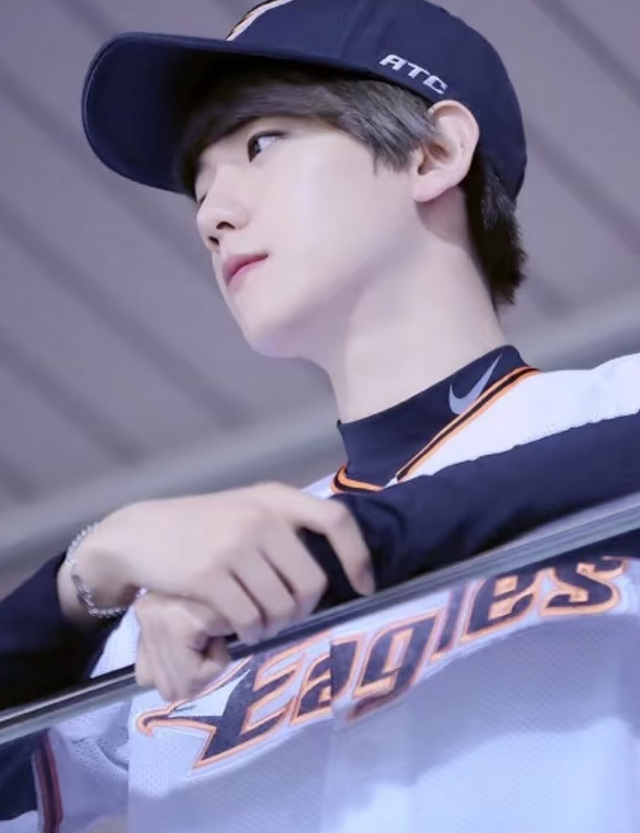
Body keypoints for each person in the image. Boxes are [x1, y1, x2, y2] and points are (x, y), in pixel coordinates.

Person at [2, 0, 640, 829]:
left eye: (261, 144)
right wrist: (81, 574)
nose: (212, 215)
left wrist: (342, 553)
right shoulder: (178, 601)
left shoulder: (616, 403)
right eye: (201, 184)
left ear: (433, 153)